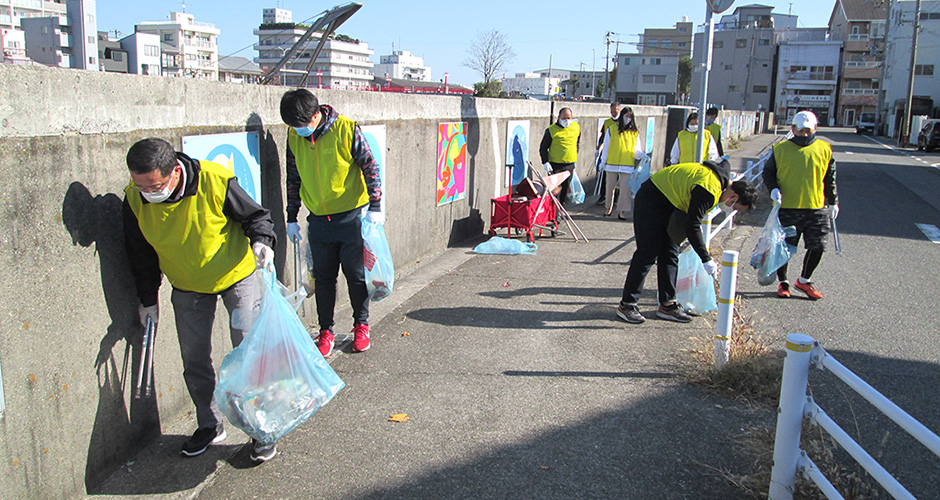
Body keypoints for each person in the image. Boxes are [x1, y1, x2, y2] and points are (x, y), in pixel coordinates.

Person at [122, 138, 278, 462]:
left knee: (247, 353)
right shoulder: (134, 199)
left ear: (174, 173)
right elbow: (140, 255)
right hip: (188, 286)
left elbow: (256, 216)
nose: (147, 192)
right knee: (194, 359)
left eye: (154, 186)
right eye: (140, 186)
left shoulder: (214, 180)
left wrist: (263, 241)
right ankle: (209, 424)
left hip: (236, 276)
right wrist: (148, 299)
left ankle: (260, 429)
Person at [279, 88, 383, 358]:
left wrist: (375, 206)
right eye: (293, 126)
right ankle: (326, 331)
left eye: (302, 125)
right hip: (319, 222)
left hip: (351, 218)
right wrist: (291, 217)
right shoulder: (294, 135)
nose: (298, 130)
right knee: (323, 278)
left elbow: (370, 166)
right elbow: (293, 178)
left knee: (356, 276)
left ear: (316, 115)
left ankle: (361, 326)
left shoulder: (346, 129)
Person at [616, 159, 756, 324]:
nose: (732, 210)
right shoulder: (709, 189)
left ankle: (667, 305)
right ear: (733, 197)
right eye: (735, 207)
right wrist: (706, 258)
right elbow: (693, 226)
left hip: (671, 203)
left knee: (670, 252)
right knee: (647, 253)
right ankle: (627, 305)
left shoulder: (719, 183)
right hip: (651, 199)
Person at [762, 110, 837, 300]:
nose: (804, 134)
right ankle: (783, 282)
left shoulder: (825, 149)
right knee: (785, 248)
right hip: (787, 206)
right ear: (792, 128)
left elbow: (830, 178)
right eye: (801, 130)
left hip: (816, 207)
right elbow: (768, 173)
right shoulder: (780, 149)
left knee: (818, 245)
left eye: (808, 130)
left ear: (815, 129)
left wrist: (834, 201)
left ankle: (804, 280)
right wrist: (773, 188)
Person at [599, 106, 648, 219]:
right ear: (622, 116)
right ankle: (609, 207)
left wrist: (641, 155)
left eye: (630, 117)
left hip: (627, 164)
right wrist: (603, 161)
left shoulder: (634, 132)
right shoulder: (611, 129)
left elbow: (636, 149)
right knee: (609, 187)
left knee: (625, 189)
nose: (628, 119)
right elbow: (606, 147)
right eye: (626, 116)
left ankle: (622, 211)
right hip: (612, 163)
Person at [539, 107, 581, 204]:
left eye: (569, 118)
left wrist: (574, 155)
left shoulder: (576, 127)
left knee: (565, 189)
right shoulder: (551, 130)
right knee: (555, 190)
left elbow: (577, 142)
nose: (567, 120)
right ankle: (554, 211)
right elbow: (543, 148)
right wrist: (545, 162)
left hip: (569, 164)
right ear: (559, 117)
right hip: (555, 165)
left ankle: (561, 208)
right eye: (564, 118)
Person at [595, 102, 621, 206]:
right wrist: (598, 148)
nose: (613, 113)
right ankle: (603, 196)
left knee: (617, 178)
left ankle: (615, 198)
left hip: (619, 153)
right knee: (605, 175)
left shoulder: (623, 123)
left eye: (616, 111)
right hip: (608, 152)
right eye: (612, 112)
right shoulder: (607, 122)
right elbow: (603, 136)